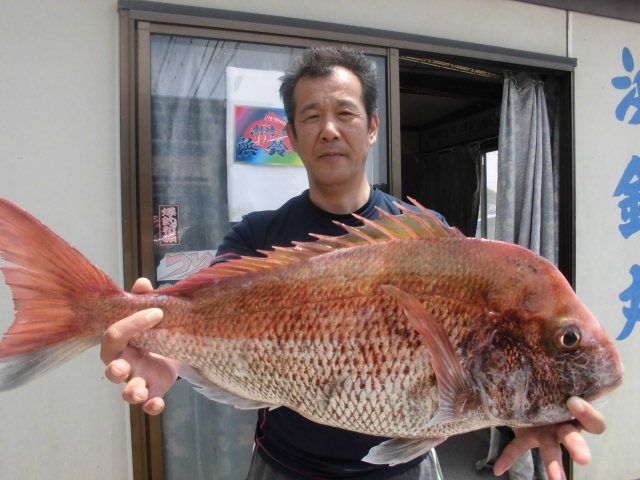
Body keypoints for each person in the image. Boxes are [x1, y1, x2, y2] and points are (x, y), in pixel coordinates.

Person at [101, 47, 606, 480]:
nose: (329, 130)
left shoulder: (429, 240)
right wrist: (166, 355)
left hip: (404, 471)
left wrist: (530, 409)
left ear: (373, 128)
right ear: (291, 137)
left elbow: (480, 370)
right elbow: (198, 319)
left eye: (345, 113)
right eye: (311, 117)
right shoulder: (257, 236)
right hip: (284, 466)